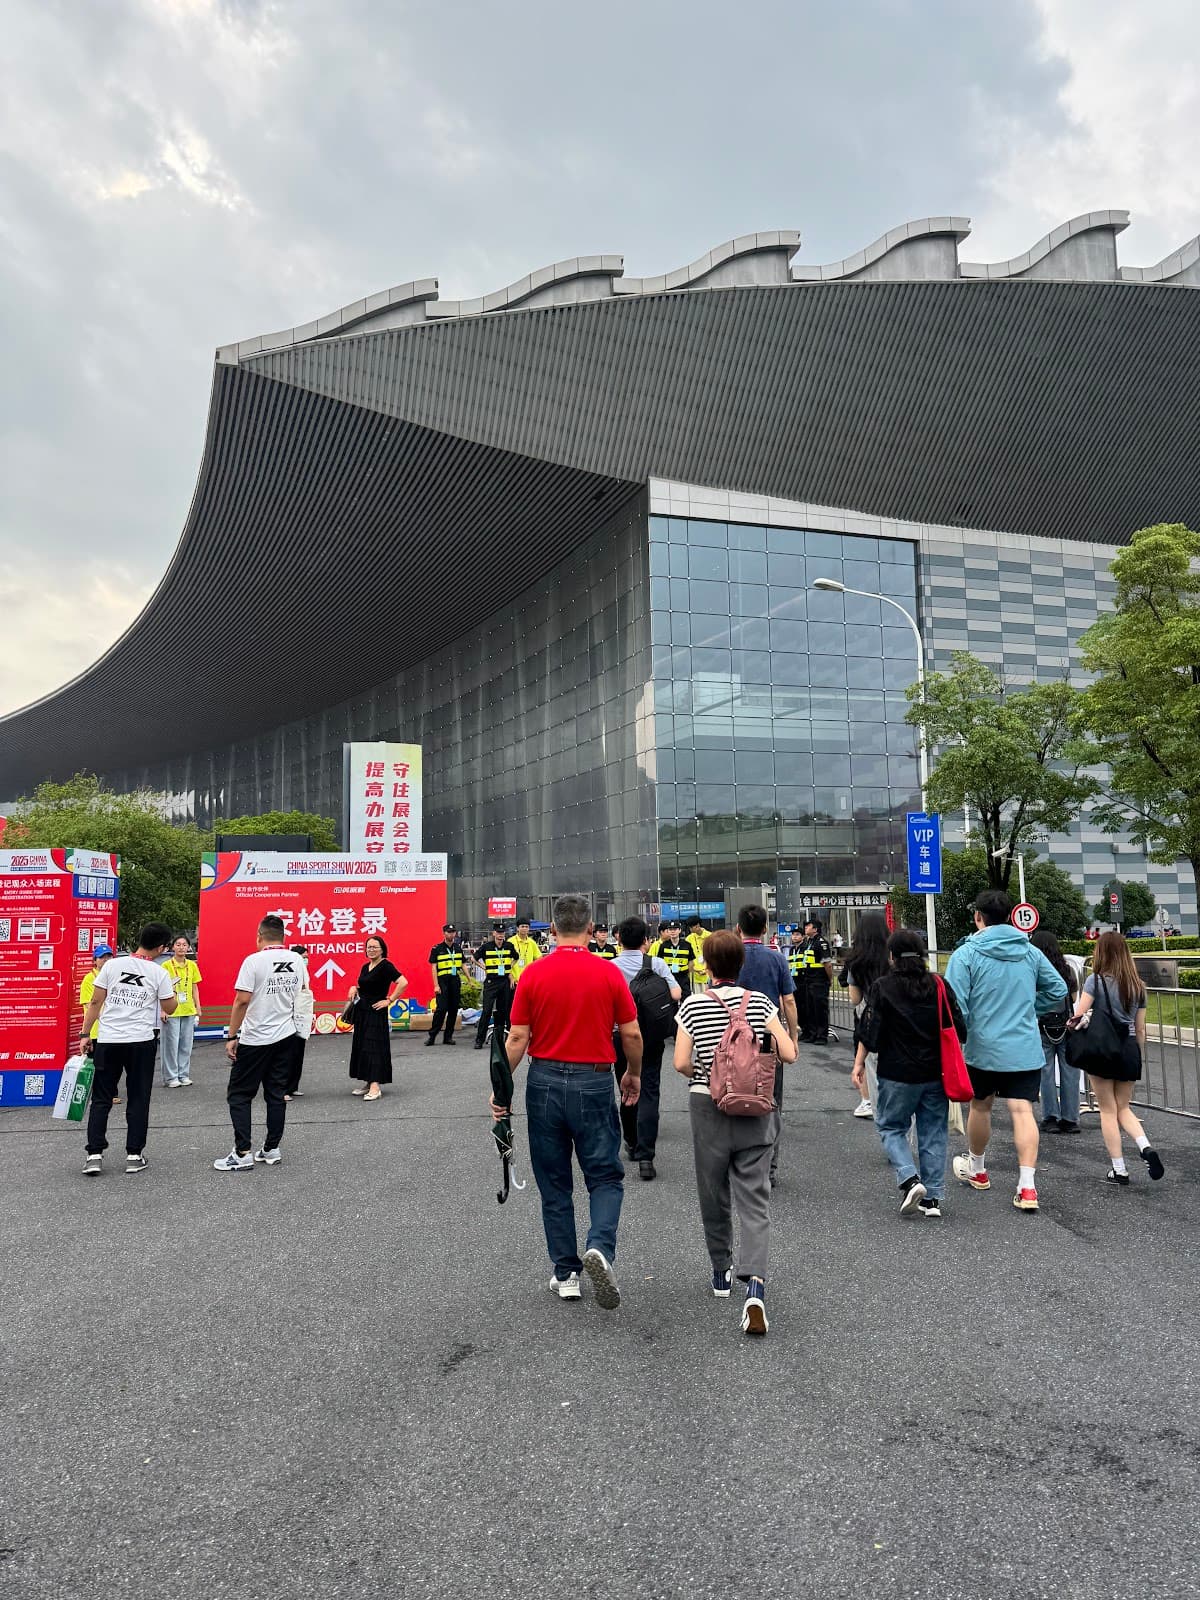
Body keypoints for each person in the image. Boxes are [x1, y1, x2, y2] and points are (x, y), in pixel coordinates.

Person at [495, 893, 642, 1309]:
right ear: (591, 929)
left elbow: (517, 1038)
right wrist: (633, 1073)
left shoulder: (534, 974)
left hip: (543, 1081)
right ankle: (600, 1247)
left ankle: (566, 1273)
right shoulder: (608, 972)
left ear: (553, 928)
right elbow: (632, 1033)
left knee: (554, 1182)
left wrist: (500, 1089)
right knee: (605, 1176)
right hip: (594, 1080)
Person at [674, 929, 797, 1336]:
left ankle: (721, 1272)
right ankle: (755, 1286)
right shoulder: (759, 1002)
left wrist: (708, 1074)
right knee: (755, 1199)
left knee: (713, 1191)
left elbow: (680, 1062)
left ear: (706, 965)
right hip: (755, 1108)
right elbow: (789, 1053)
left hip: (708, 1107)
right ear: (741, 964)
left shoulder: (693, 1005)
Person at [944, 890, 1068, 1212]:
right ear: (1011, 916)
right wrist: (1030, 1009)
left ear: (978, 917)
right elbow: (1058, 989)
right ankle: (1027, 1187)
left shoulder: (966, 954)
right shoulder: (1029, 952)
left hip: (982, 1046)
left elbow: (955, 1004)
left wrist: (967, 1031)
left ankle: (977, 1169)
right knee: (1022, 1111)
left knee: (980, 1106)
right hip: (1024, 1046)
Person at [854, 930, 966, 1217]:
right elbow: (960, 1028)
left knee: (891, 1127)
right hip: (936, 1073)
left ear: (891, 956)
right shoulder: (938, 985)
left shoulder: (882, 987)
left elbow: (871, 1035)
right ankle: (933, 1199)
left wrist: (859, 1062)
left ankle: (909, 1178)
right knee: (933, 1132)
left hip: (896, 1073)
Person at [1068, 932, 1165, 1185]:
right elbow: (1140, 1028)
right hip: (1128, 1049)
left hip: (1101, 1049)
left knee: (1108, 1110)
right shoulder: (1138, 986)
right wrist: (1137, 1053)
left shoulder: (1095, 981)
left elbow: (1078, 1015)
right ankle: (1145, 1147)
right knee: (1123, 1107)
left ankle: (1119, 1169)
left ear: (1101, 953)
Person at [80, 923, 176, 1176]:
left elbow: (95, 1001)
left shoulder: (112, 965)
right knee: (138, 1098)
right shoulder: (159, 973)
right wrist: (172, 991)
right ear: (161, 948)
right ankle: (134, 1155)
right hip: (141, 1042)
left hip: (108, 1039)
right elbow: (170, 1007)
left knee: (101, 1098)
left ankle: (94, 1155)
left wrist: (85, 1033)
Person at [214, 916, 307, 1170]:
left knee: (240, 1094)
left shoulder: (253, 961)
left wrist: (232, 1036)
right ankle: (271, 1148)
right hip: (286, 1035)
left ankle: (242, 1152)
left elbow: (242, 1000)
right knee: (276, 1094)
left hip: (255, 1038)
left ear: (259, 936)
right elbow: (301, 993)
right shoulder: (297, 960)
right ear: (283, 936)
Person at [612, 915, 682, 1179]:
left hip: (620, 1035)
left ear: (619, 939)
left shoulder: (610, 967)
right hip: (651, 1036)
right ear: (645, 940)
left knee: (626, 1086)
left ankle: (631, 1142)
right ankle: (646, 1157)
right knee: (649, 1090)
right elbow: (676, 993)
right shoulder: (657, 964)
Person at [735, 905, 797, 1188]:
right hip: (769, 1039)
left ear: (738, 929)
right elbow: (789, 1001)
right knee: (771, 1102)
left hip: (734, 1039)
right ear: (764, 930)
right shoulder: (776, 958)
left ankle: (740, 1164)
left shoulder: (730, 956)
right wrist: (792, 1036)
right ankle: (769, 1168)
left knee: (734, 1096)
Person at [842, 912, 891, 1118]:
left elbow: (855, 999)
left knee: (865, 1058)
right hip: (895, 1012)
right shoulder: (892, 955)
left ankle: (868, 1100)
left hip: (867, 1017)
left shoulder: (856, 960)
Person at [1031, 931, 1080, 1133]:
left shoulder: (1034, 970)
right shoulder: (1067, 970)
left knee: (1046, 1073)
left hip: (1043, 1026)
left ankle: (1050, 1117)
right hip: (1066, 1025)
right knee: (1070, 1072)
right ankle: (1070, 1118)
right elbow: (1074, 998)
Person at [348, 936, 407, 1099]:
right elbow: (363, 986)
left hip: (376, 1012)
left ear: (382, 949)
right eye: (369, 947)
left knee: (374, 1047)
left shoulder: (386, 966)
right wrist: (354, 988)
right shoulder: (365, 967)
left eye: (375, 947)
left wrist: (389, 1000)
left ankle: (375, 1086)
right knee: (363, 1047)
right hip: (362, 1012)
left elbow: (403, 982)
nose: (371, 950)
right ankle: (368, 1082)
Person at [160, 934, 202, 1088]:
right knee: (171, 1046)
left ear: (188, 947)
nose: (181, 947)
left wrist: (198, 1007)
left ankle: (183, 1074)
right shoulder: (166, 965)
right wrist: (163, 1010)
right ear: (173, 947)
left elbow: (194, 987)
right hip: (172, 1010)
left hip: (188, 1009)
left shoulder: (192, 965)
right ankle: (171, 1077)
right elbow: (161, 990)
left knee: (186, 1045)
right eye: (178, 944)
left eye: (184, 945)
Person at [79, 944, 118, 1103]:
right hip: (95, 1030)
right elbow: (90, 1005)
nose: (106, 960)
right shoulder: (89, 979)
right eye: (102, 957)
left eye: (109, 956)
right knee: (97, 1064)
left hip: (112, 1030)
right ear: (95, 960)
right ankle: (97, 1095)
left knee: (112, 1064)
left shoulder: (115, 977)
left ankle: (112, 1093)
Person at [473, 923, 520, 1049]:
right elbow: (473, 959)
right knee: (487, 1011)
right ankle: (479, 1040)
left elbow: (516, 957)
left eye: (502, 933)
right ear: (494, 933)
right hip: (491, 982)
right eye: (498, 933)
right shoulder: (486, 947)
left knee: (503, 1011)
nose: (500, 935)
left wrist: (509, 967)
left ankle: (500, 1038)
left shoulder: (508, 946)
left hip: (504, 981)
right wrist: (484, 967)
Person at [792, 917, 834, 1044]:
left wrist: (829, 979)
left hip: (819, 980)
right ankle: (812, 1033)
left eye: (808, 926)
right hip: (808, 980)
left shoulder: (821, 942)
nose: (805, 928)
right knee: (810, 1008)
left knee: (820, 1008)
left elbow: (827, 964)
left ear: (815, 929)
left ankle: (821, 1036)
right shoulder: (810, 942)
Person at [426, 924, 464, 1045]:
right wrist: (436, 985)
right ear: (444, 933)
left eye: (453, 932)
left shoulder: (458, 948)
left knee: (453, 1009)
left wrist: (469, 979)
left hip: (455, 981)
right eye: (448, 932)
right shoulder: (437, 948)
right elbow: (433, 967)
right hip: (442, 981)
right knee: (441, 1009)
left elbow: (463, 964)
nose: (451, 934)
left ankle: (448, 1037)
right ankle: (432, 1036)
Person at [285, 945, 313, 1101]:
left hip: (301, 1016)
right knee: (288, 1053)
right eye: (303, 957)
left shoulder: (304, 972)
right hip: (289, 1017)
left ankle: (293, 1086)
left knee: (298, 1052)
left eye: (307, 957)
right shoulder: (288, 972)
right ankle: (283, 1089)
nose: (306, 960)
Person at [651, 919, 694, 998]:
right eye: (670, 929)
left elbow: (691, 962)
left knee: (685, 998)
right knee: (670, 999)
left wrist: (686, 973)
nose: (672, 931)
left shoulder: (687, 945)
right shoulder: (663, 945)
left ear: (679, 930)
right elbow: (659, 962)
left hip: (683, 977)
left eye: (675, 929)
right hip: (668, 977)